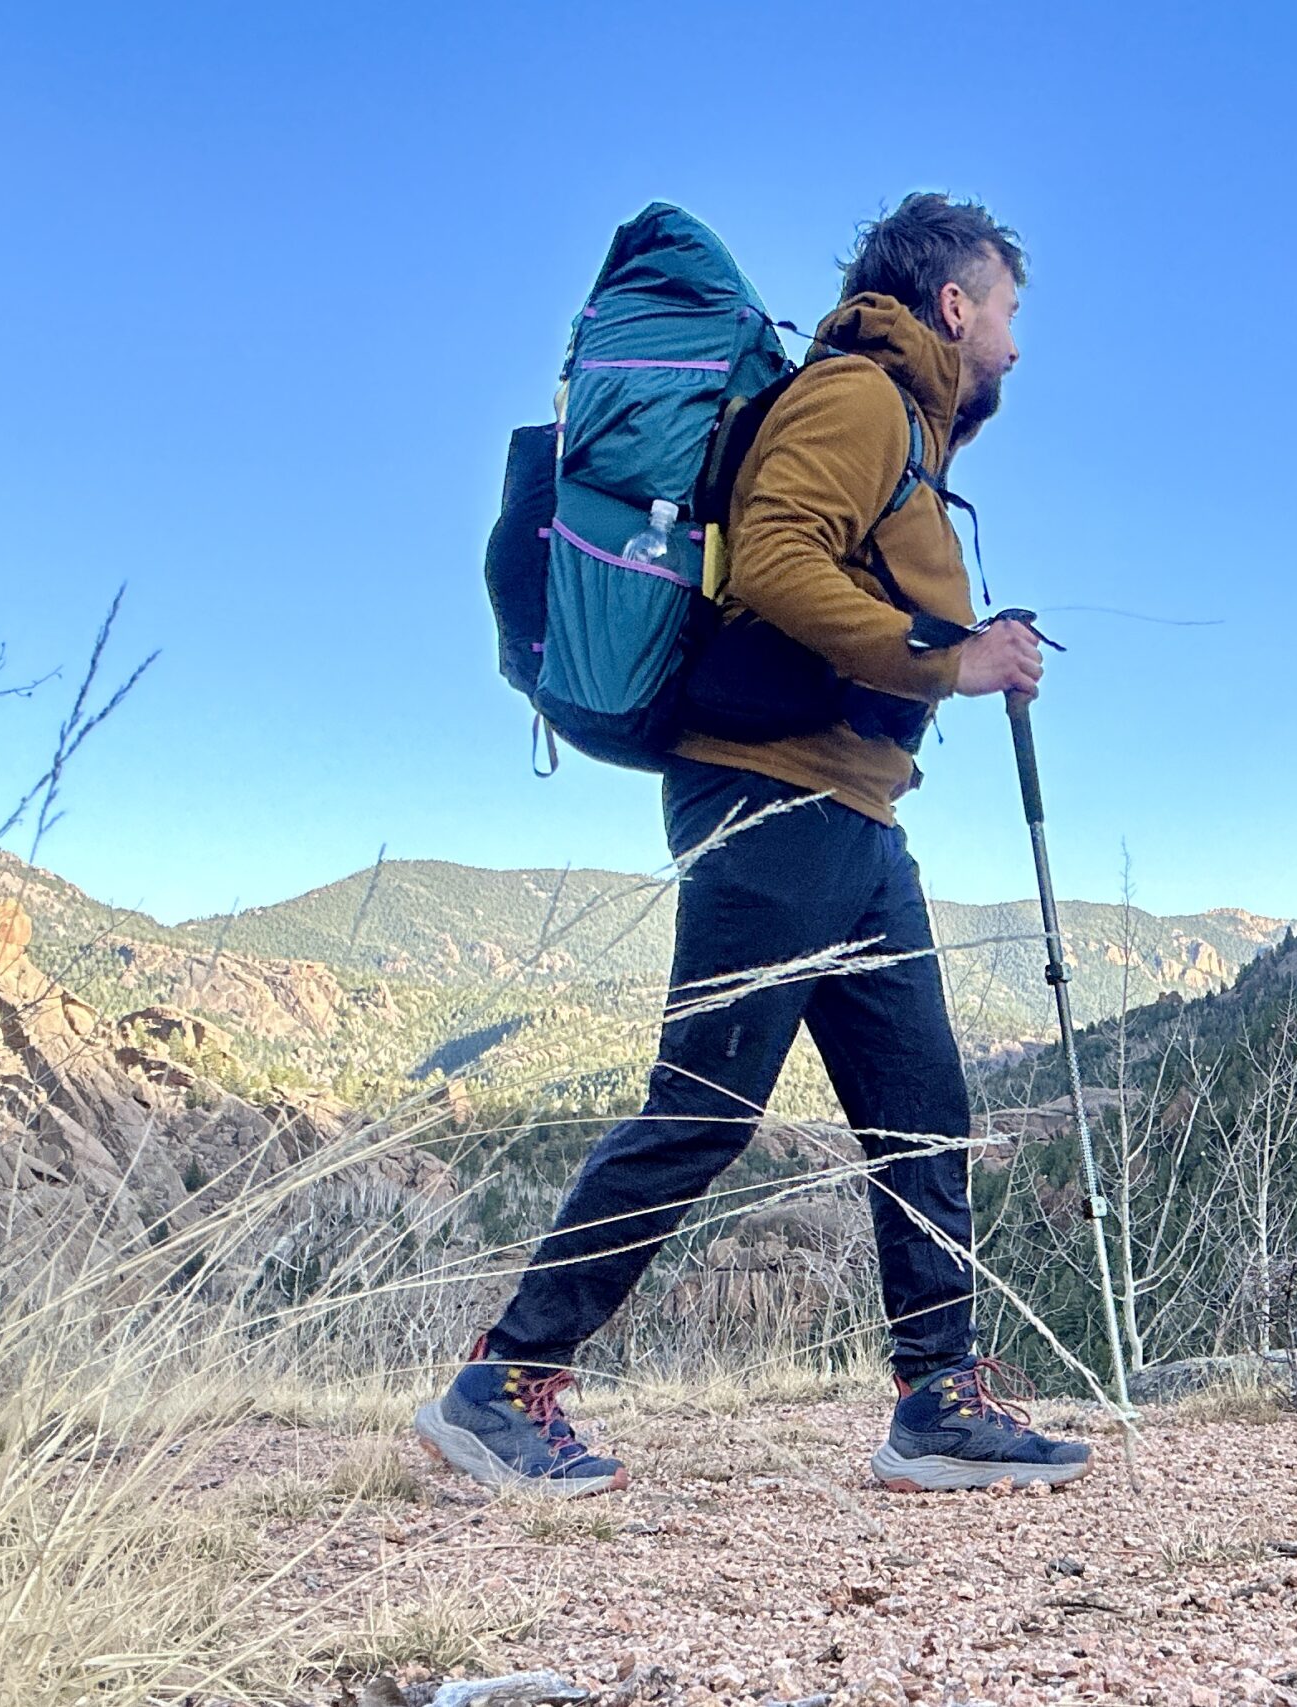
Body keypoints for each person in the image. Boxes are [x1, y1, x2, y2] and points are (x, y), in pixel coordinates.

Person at [415, 193, 1089, 1496]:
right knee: (708, 1106)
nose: (1014, 342)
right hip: (774, 804)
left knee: (920, 1108)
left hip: (854, 817)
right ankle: (501, 1384)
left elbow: (836, 580)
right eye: (1008, 312)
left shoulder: (906, 435)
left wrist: (956, 652)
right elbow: (775, 561)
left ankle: (937, 1400)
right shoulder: (857, 402)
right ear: (955, 305)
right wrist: (954, 658)